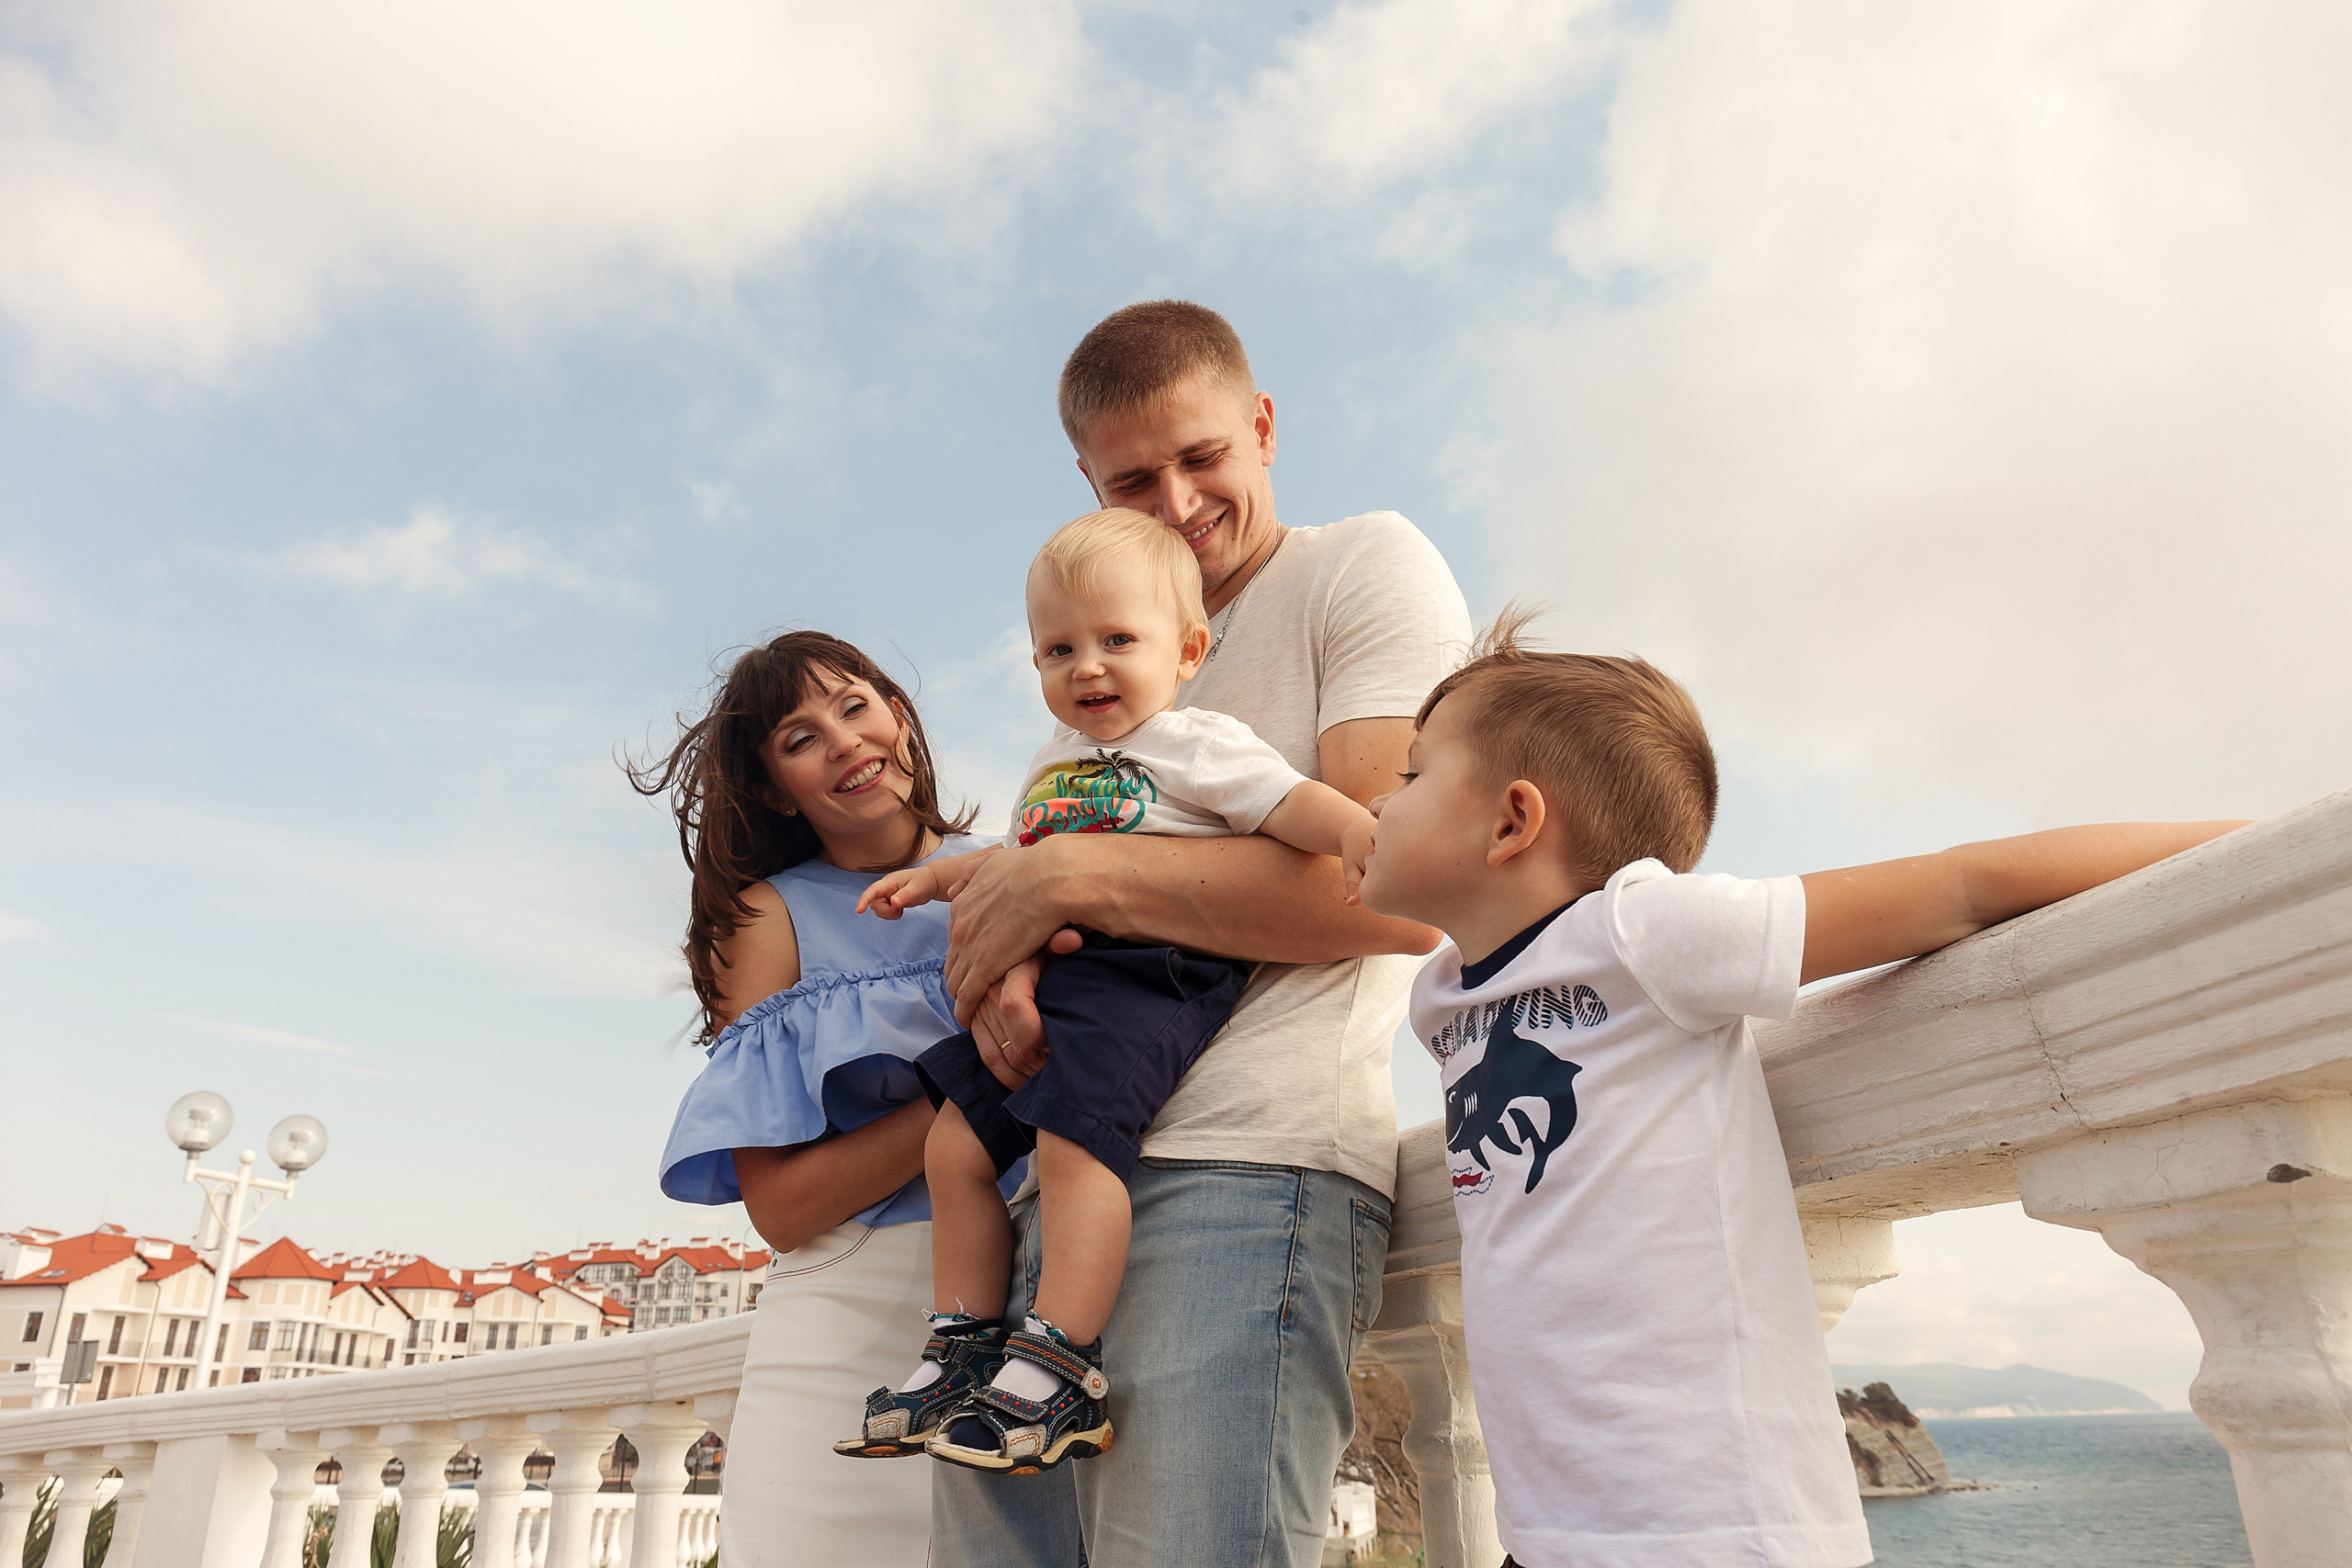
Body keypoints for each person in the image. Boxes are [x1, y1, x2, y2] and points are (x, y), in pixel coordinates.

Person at [1349, 612, 2247, 1568]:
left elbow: (1958, 888)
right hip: (1551, 1523)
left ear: (1512, 820)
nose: (1376, 801)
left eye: (1411, 773)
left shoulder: (1642, 930)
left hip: (1715, 1522)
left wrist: (2250, 839)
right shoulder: (1442, 1000)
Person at [929, 301, 1472, 1566]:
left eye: (1203, 457)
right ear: (1087, 480)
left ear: (1264, 426)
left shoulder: (1360, 567)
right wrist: (1002, 959)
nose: (1174, 501)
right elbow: (1030, 877)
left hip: (1246, 1170)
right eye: (1132, 477)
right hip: (1047, 1167)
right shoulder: (1092, 658)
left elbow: (1396, 879)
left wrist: (1071, 876)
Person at [833, 509, 1377, 1474]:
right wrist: (934, 879)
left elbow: (1288, 805)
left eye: (1117, 641)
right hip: (1059, 980)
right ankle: (961, 1341)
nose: (1085, 667)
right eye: (1058, 649)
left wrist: (1366, 836)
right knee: (952, 1143)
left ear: (1187, 650)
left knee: (1073, 1140)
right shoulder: (1052, 765)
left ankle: (1061, 1360)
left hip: (1151, 972)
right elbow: (1018, 864)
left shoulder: (1200, 741)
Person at [635, 631, 1019, 1567]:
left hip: (1025, 1301)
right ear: (774, 789)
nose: (844, 741)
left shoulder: (1016, 868)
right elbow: (784, 1207)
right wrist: (974, 1085)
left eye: (854, 706)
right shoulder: (766, 919)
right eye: (800, 737)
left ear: (897, 715)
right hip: (849, 1319)